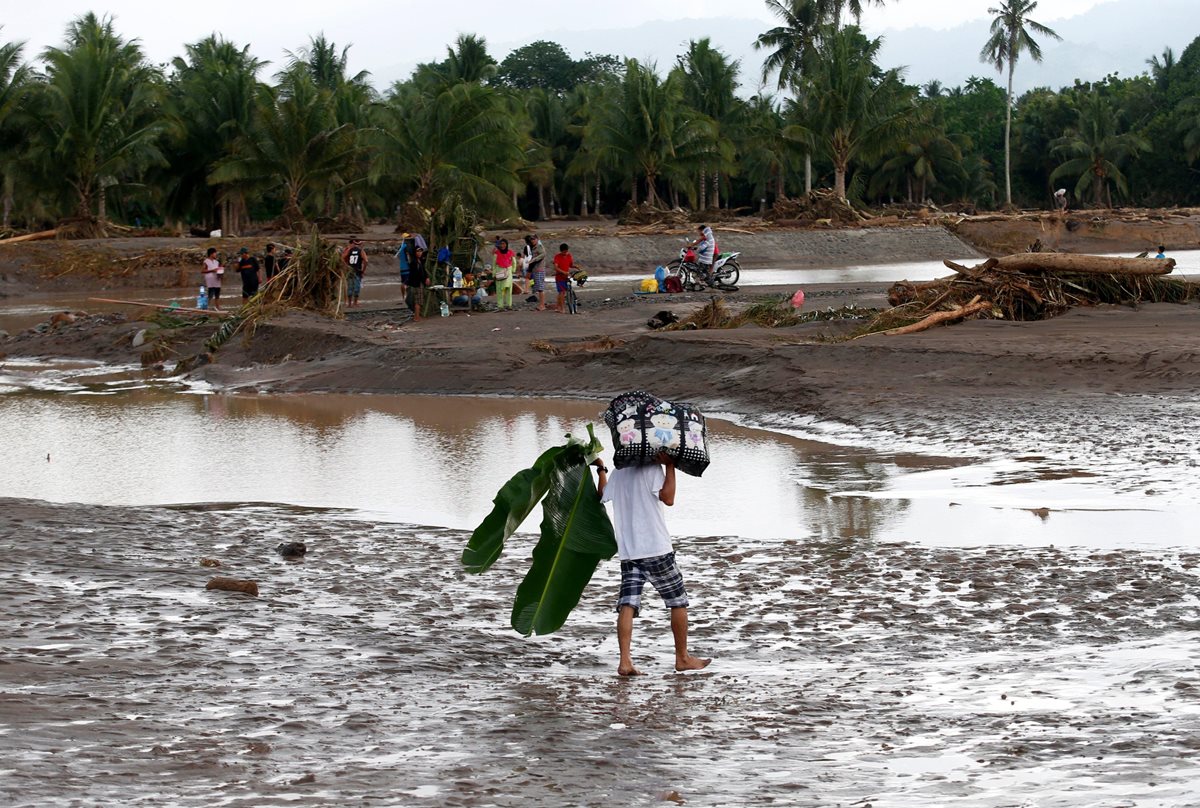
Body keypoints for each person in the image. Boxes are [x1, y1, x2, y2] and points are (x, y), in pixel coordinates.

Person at [594, 453, 711, 676]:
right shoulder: (652, 469)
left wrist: (601, 469)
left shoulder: (620, 472)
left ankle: (625, 661)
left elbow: (602, 494)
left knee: (627, 604)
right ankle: (682, 658)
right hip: (656, 548)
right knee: (678, 601)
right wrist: (670, 466)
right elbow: (668, 498)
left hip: (629, 552)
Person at [492, 238, 516, 311]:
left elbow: (514, 262)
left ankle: (509, 305)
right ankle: (500, 306)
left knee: (509, 289)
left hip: (508, 271)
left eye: (504, 244)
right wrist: (494, 274)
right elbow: (494, 264)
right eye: (501, 244)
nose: (502, 245)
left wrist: (513, 270)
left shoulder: (511, 252)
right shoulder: (496, 253)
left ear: (507, 244)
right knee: (499, 290)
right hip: (499, 271)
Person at [342, 238, 367, 307]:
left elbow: (342, 258)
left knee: (350, 287)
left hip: (350, 271)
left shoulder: (348, 250)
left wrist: (346, 267)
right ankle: (355, 303)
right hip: (357, 271)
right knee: (356, 287)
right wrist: (363, 270)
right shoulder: (360, 251)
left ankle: (349, 303)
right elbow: (366, 261)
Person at [407, 246, 430, 320]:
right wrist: (424, 280)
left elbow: (423, 272)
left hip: (419, 283)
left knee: (419, 300)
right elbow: (417, 274)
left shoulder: (420, 261)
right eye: (418, 251)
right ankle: (416, 317)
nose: (419, 253)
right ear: (415, 253)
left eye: (420, 251)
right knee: (418, 301)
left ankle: (417, 316)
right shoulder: (414, 262)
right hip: (417, 284)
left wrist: (426, 278)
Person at [526, 233, 547, 310]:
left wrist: (534, 260)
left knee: (540, 288)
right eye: (531, 239)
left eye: (534, 239)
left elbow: (543, 254)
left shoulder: (539, 246)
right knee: (538, 288)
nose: (532, 240)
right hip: (536, 270)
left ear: (537, 239)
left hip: (539, 270)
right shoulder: (534, 247)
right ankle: (541, 304)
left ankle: (542, 305)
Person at [553, 243, 575, 313]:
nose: (566, 253)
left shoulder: (569, 255)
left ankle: (558, 307)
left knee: (562, 292)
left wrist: (576, 267)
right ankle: (562, 308)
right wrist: (563, 272)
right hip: (559, 277)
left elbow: (571, 265)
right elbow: (556, 267)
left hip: (566, 277)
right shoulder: (557, 256)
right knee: (561, 292)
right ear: (561, 251)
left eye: (566, 251)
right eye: (564, 252)